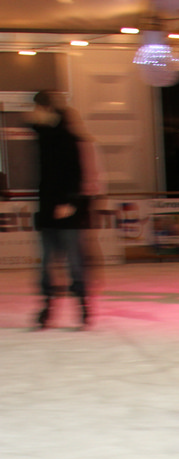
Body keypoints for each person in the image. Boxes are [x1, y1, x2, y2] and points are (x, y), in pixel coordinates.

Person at [28, 90, 90, 330]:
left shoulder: (66, 138)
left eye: (38, 108)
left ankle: (82, 305)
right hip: (47, 213)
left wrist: (69, 202)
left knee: (74, 261)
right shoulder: (44, 136)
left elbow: (76, 173)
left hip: (66, 212)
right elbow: (35, 126)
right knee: (46, 263)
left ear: (48, 110)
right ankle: (47, 306)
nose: (33, 113)